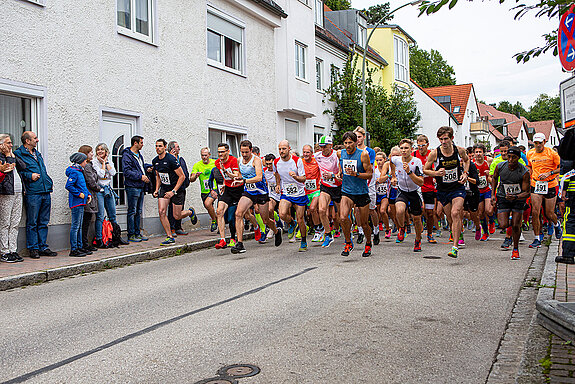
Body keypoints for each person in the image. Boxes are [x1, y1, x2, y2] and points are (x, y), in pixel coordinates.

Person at [424, 126, 470, 258]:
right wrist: (436, 173)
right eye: (441, 139)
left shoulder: (459, 150)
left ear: (452, 138)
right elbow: (425, 170)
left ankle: (454, 247)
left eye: (446, 139)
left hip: (457, 188)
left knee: (456, 213)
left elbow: (467, 160)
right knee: (450, 217)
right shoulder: (435, 153)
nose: (443, 142)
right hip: (443, 189)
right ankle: (456, 232)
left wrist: (465, 173)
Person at [231, 140, 281, 253]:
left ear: (251, 150)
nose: (244, 155)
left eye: (246, 152)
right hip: (248, 192)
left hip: (261, 192)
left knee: (265, 219)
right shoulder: (239, 160)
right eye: (242, 152)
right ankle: (240, 244)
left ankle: (277, 231)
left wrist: (243, 181)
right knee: (238, 214)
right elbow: (239, 174)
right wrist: (234, 177)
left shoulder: (256, 160)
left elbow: (259, 177)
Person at [14, 131, 57, 259]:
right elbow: (17, 174)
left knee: (43, 221)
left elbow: (42, 170)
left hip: (45, 191)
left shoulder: (37, 153)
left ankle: (43, 246)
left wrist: (48, 181)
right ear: (27, 141)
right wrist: (29, 176)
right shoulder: (19, 154)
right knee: (32, 221)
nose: (37, 140)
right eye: (35, 138)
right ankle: (33, 248)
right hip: (32, 192)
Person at [152, 139, 197, 246]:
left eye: (160, 146)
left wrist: (173, 191)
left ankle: (190, 212)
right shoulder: (155, 161)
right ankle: (170, 237)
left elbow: (182, 176)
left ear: (165, 147)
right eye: (156, 146)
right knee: (162, 211)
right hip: (164, 188)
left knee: (176, 216)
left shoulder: (171, 159)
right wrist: (156, 189)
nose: (158, 148)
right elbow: (158, 176)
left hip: (177, 189)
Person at [491, 146, 531, 260]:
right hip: (503, 196)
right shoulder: (500, 166)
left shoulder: (524, 172)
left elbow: (527, 192)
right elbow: (494, 178)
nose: (510, 160)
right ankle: (513, 221)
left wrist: (516, 196)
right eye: (509, 156)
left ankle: (515, 249)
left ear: (518, 158)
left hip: (518, 199)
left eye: (514, 157)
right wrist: (492, 195)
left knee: (515, 225)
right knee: (503, 225)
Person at [339, 131, 373, 257]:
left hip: (361, 192)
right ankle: (348, 242)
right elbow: (340, 167)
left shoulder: (363, 155)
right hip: (347, 191)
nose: (348, 145)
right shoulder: (341, 153)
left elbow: (370, 174)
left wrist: (357, 174)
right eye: (346, 143)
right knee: (342, 217)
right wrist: (339, 174)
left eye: (350, 142)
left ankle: (368, 243)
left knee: (364, 223)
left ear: (356, 142)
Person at [527, 132, 562, 248]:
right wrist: (529, 175)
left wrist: (550, 173)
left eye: (540, 143)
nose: (537, 145)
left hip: (550, 184)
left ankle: (557, 224)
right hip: (536, 184)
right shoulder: (530, 153)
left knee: (549, 213)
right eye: (535, 143)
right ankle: (537, 238)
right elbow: (529, 166)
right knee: (535, 212)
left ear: (544, 142)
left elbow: (561, 167)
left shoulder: (552, 153)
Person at [390, 139, 425, 252]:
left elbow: (421, 182)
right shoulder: (397, 159)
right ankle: (402, 228)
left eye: (406, 148)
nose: (404, 150)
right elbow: (391, 160)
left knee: (416, 219)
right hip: (402, 190)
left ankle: (418, 240)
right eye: (402, 148)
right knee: (399, 211)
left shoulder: (417, 161)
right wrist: (393, 175)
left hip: (415, 191)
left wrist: (410, 172)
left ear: (411, 149)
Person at [274, 140, 308, 251]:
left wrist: (295, 177)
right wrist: (278, 184)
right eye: (279, 149)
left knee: (300, 219)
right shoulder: (276, 162)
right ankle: (291, 223)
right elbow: (277, 173)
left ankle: (303, 241)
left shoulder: (297, 161)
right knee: (282, 214)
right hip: (286, 192)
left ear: (289, 148)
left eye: (283, 149)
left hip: (299, 193)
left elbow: (303, 178)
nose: (281, 151)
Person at [121, 135, 151, 243]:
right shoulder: (127, 155)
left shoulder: (139, 155)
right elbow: (127, 171)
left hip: (140, 187)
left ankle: (137, 233)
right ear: (135, 143)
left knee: (138, 211)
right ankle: (131, 234)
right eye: (141, 143)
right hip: (132, 187)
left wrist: (147, 168)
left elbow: (140, 167)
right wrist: (140, 176)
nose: (142, 145)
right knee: (132, 211)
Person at [214, 143, 244, 249]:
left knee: (247, 214)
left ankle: (256, 227)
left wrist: (226, 171)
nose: (220, 154)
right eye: (219, 152)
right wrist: (223, 184)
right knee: (219, 211)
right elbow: (224, 176)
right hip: (228, 189)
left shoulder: (233, 160)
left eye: (222, 152)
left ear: (227, 151)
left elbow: (236, 176)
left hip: (238, 189)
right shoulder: (217, 163)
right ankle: (222, 240)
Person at [92, 143, 123, 248]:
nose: (100, 151)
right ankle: (99, 239)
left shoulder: (109, 161)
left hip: (108, 190)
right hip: (99, 191)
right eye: (98, 150)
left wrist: (106, 162)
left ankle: (116, 237)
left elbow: (113, 172)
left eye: (102, 150)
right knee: (100, 216)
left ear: (106, 151)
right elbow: (100, 174)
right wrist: (103, 164)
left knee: (112, 215)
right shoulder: (94, 163)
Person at [315, 136, 342, 248]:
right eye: (321, 146)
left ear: (330, 145)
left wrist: (333, 175)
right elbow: (305, 160)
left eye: (325, 146)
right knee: (321, 210)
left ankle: (348, 233)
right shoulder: (317, 156)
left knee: (341, 216)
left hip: (338, 186)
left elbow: (341, 176)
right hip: (325, 186)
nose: (322, 149)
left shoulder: (337, 155)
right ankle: (327, 234)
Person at [0, 134, 24, 262]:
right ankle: (4, 251)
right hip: (6, 192)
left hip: (18, 191)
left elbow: (22, 166)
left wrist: (12, 155)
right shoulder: (1, 157)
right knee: (5, 222)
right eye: (8, 143)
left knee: (15, 222)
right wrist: (8, 156)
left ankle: (13, 250)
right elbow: (8, 168)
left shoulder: (13, 155)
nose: (11, 145)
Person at [353, 127, 378, 245]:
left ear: (363, 137)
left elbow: (369, 168)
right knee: (357, 209)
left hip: (369, 184)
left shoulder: (370, 151)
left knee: (371, 210)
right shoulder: (352, 151)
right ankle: (360, 232)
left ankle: (376, 230)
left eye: (359, 137)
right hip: (357, 184)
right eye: (355, 137)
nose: (357, 139)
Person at [65, 152, 92, 257]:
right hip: (76, 203)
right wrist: (79, 194)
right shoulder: (75, 172)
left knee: (79, 226)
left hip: (82, 202)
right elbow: (69, 186)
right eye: (85, 161)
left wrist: (87, 194)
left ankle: (80, 247)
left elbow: (83, 186)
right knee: (75, 226)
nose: (86, 162)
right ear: (80, 161)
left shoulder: (80, 171)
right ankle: (74, 248)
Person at [414, 135, 438, 244]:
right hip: (418, 188)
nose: (420, 148)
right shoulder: (414, 155)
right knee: (420, 211)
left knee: (430, 212)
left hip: (429, 188)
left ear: (427, 145)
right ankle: (419, 232)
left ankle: (429, 233)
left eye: (422, 145)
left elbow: (436, 169)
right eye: (418, 145)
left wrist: (429, 171)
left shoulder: (432, 155)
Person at [78, 145, 101, 254]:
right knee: (85, 221)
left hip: (91, 195)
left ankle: (85, 243)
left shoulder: (89, 165)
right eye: (91, 152)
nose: (93, 154)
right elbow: (91, 181)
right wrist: (99, 189)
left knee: (87, 220)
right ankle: (84, 244)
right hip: (88, 196)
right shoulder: (86, 166)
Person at [190, 147, 218, 232]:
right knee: (208, 207)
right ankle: (218, 221)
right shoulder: (197, 165)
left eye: (206, 155)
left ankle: (214, 221)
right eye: (202, 155)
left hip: (214, 188)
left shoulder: (215, 163)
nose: (204, 157)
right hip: (204, 190)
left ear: (209, 155)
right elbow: (191, 179)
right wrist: (195, 176)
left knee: (207, 203)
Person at [167, 141, 191, 236]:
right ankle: (172, 228)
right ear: (172, 149)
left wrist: (186, 182)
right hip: (172, 188)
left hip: (181, 188)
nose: (179, 149)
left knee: (180, 208)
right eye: (177, 147)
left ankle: (178, 227)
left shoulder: (181, 159)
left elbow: (185, 172)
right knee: (171, 210)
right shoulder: (169, 159)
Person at [301, 144, 322, 242]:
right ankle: (320, 227)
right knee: (310, 212)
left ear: (311, 153)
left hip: (316, 189)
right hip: (306, 190)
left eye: (307, 152)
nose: (305, 154)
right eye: (304, 152)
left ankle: (318, 230)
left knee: (313, 208)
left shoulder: (316, 161)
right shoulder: (300, 162)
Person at [473, 144, 493, 241]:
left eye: (480, 152)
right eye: (476, 152)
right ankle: (485, 232)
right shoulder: (472, 162)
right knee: (480, 213)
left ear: (483, 153)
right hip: (478, 190)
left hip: (487, 189)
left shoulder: (488, 160)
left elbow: (495, 171)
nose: (478, 154)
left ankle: (492, 221)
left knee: (488, 210)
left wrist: (490, 172)